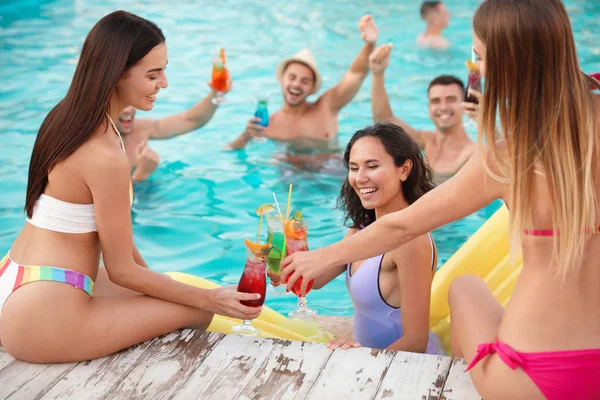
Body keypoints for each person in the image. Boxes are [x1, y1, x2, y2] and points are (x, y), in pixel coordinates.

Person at [281, 0, 600, 398]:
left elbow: (402, 224)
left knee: (464, 287)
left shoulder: (507, 158)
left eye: (479, 56)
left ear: (507, 63)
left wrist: (322, 255)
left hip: (527, 378)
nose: (477, 69)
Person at [0, 11, 260, 363]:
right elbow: (122, 270)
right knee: (199, 310)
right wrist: (211, 300)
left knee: (173, 291)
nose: (163, 83)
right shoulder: (105, 154)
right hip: (42, 316)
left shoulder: (67, 118)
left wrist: (159, 284)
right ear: (117, 73)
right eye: (153, 74)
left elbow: (122, 253)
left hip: (17, 277)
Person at [280, 124, 444, 353]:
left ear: (404, 169)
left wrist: (361, 357)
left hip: (401, 367)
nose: (360, 178)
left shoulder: (410, 240)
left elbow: (416, 341)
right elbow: (314, 281)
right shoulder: (361, 231)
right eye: (354, 168)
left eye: (372, 166)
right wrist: (285, 265)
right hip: (366, 356)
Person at [227, 14, 379, 151]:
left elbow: (356, 73)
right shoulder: (268, 124)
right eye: (292, 77)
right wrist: (246, 136)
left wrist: (370, 44)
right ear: (282, 80)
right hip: (293, 179)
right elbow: (230, 149)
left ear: (312, 88)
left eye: (304, 81)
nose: (296, 85)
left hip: (330, 174)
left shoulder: (327, 107)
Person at [369, 43, 476, 185]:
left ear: (464, 105)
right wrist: (378, 74)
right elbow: (384, 120)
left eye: (450, 100)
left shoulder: (473, 153)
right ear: (429, 108)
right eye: (436, 101)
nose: (443, 107)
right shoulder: (426, 141)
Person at [117, 82, 231, 181]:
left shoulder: (140, 128)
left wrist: (216, 94)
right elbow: (108, 201)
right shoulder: (100, 142)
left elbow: (191, 120)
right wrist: (142, 173)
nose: (128, 110)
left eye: (130, 102)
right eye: (120, 104)